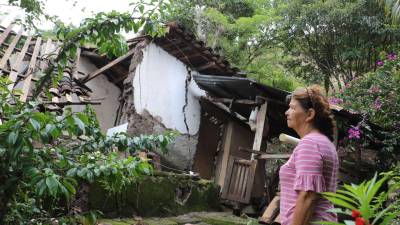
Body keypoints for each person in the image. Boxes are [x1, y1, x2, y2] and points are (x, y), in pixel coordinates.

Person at [279, 85, 339, 225]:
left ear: (310, 114)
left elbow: (308, 196)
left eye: (293, 108)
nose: (287, 112)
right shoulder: (324, 143)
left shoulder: (310, 144)